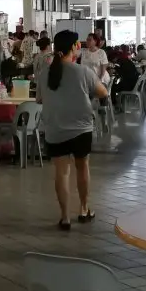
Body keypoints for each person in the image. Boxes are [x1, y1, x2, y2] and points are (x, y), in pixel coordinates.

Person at [37, 30, 106, 230]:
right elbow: (103, 92)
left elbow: (39, 99)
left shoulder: (45, 74)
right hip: (81, 129)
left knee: (61, 172)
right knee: (82, 167)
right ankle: (84, 209)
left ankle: (65, 217)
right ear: (75, 47)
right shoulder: (83, 71)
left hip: (55, 128)